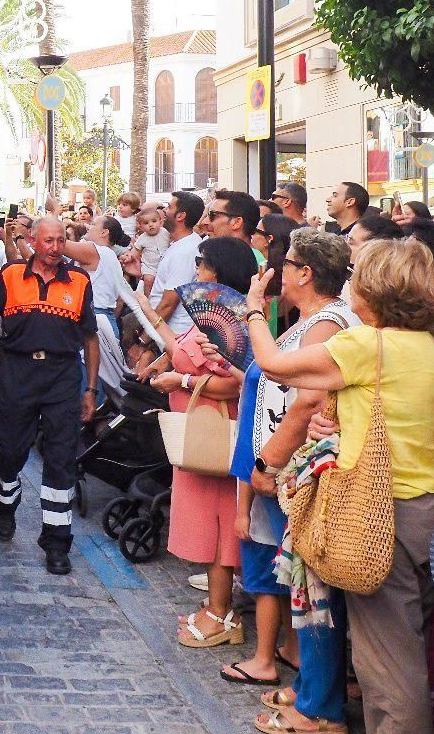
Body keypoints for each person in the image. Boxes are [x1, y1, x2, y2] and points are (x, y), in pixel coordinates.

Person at [247, 238, 434, 734]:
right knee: (408, 645)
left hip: (380, 510)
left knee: (389, 665)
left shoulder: (368, 344)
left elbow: (274, 364)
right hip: (433, 504)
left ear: (372, 289)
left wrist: (255, 312)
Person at [213, 232, 357, 729]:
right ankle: (310, 690)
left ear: (306, 273)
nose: (280, 269)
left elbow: (303, 397)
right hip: (282, 468)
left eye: (288, 262)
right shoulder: (308, 322)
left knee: (311, 590)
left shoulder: (327, 323)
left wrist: (272, 464)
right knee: (298, 585)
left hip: (293, 471)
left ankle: (320, 703)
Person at [0, 217, 97, 576]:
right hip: (19, 375)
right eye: (48, 241)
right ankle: (5, 503)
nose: (55, 247)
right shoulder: (12, 275)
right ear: (34, 240)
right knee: (9, 452)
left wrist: (90, 389)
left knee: (61, 458)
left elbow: (91, 338)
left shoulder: (78, 282)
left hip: (63, 377)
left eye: (61, 241)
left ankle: (57, 542)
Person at [133, 237, 255, 649]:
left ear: (217, 273)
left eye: (203, 264)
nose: (197, 270)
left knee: (218, 526)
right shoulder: (215, 320)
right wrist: (150, 314)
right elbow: (180, 349)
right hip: (196, 432)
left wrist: (180, 380)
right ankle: (215, 604)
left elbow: (232, 384)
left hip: (214, 436)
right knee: (209, 524)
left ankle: (222, 612)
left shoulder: (230, 326)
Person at [63, 215, 132, 400]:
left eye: (93, 224)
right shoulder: (110, 256)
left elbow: (58, 243)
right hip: (103, 319)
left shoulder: (99, 251)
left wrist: (52, 215)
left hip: (95, 321)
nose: (88, 226)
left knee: (91, 387)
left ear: (104, 232)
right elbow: (118, 301)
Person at [149, 191, 205, 338]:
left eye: (169, 207)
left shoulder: (185, 251)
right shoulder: (180, 244)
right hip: (165, 331)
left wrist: (144, 340)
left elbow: (169, 303)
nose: (164, 212)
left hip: (173, 334)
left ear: (180, 215)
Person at [206, 190, 264, 264]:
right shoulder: (225, 257)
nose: (205, 222)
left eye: (213, 215)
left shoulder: (253, 263)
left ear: (237, 222)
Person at [128, 204, 170, 286]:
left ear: (161, 221)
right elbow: (136, 251)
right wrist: (129, 257)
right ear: (141, 227)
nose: (151, 225)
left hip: (164, 264)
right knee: (148, 280)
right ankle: (147, 297)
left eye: (154, 221)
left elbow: (173, 242)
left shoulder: (165, 232)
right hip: (150, 266)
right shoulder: (142, 238)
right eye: (146, 223)